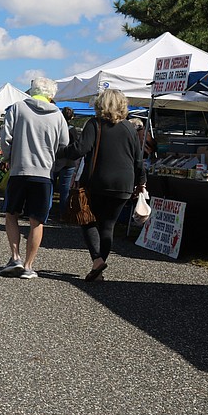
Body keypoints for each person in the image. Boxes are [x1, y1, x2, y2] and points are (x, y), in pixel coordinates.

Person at [58, 89, 146, 282]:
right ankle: (98, 268)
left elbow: (80, 149)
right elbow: (138, 160)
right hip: (124, 183)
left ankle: (97, 261)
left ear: (100, 105)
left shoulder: (94, 124)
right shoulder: (131, 128)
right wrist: (141, 182)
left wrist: (60, 151)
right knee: (108, 226)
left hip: (98, 181)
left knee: (88, 220)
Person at [0, 77, 69, 279]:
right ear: (51, 95)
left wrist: (9, 157)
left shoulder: (17, 108)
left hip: (19, 170)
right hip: (44, 174)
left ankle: (15, 257)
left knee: (11, 214)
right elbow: (64, 146)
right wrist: (54, 166)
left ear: (31, 90)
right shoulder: (58, 115)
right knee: (37, 221)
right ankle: (29, 266)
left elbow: (6, 138)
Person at [51, 107, 78, 220]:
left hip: (55, 160)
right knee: (65, 190)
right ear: (72, 117)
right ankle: (63, 215)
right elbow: (76, 146)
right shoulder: (73, 130)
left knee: (50, 188)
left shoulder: (56, 127)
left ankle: (45, 213)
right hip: (68, 162)